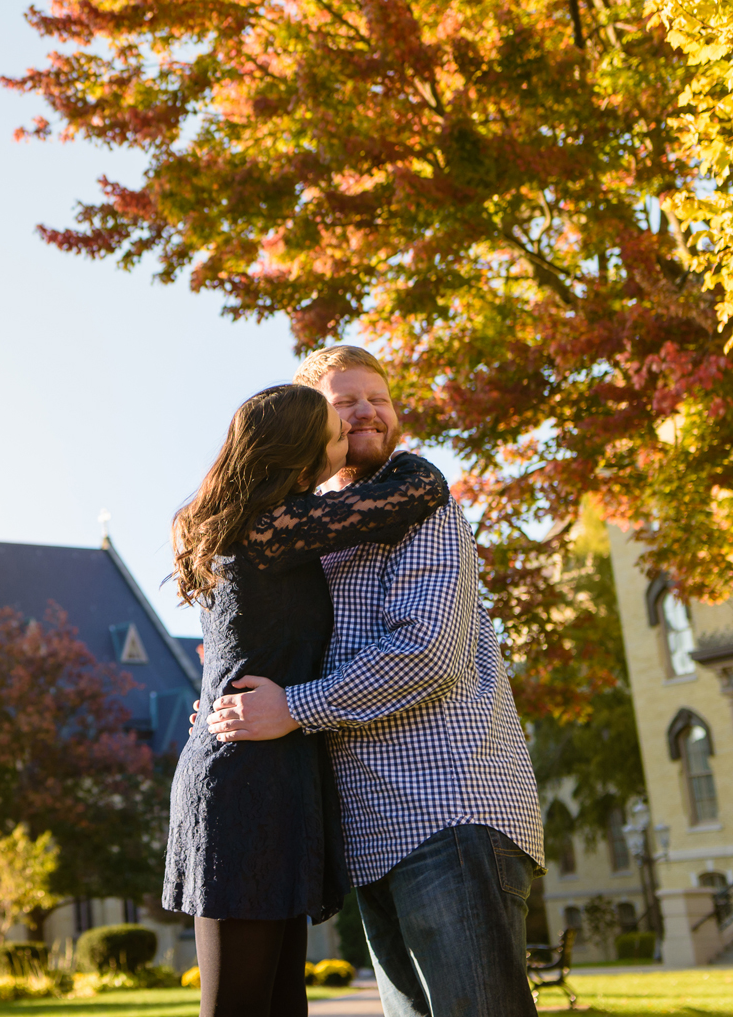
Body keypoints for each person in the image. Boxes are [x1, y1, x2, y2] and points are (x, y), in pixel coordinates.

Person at [205, 346, 545, 1017]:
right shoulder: (304, 529)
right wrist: (224, 703)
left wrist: (292, 706)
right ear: (311, 427)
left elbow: (428, 652)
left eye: (379, 398)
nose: (367, 410)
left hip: (448, 808)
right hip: (366, 831)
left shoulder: (422, 504)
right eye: (345, 400)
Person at [165, 382, 451, 1017]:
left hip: (278, 766)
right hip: (243, 777)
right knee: (239, 1004)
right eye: (334, 432)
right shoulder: (268, 529)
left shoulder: (264, 525)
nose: (346, 438)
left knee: (282, 1002)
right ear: (301, 451)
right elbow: (421, 490)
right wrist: (395, 452)